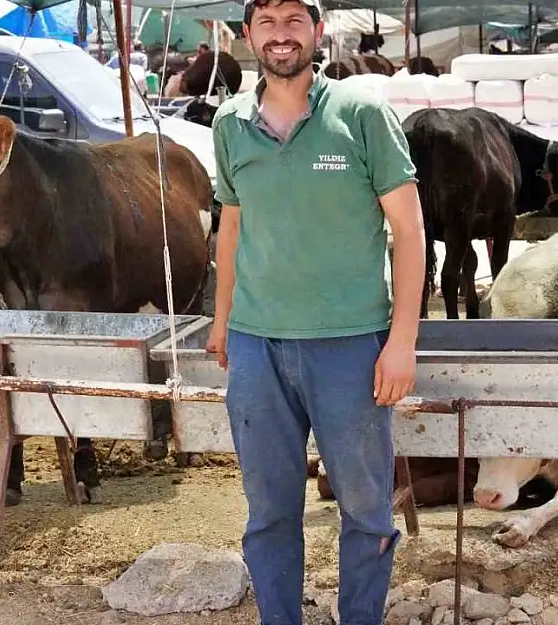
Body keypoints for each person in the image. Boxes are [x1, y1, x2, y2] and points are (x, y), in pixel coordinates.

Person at [205, 1, 425, 624]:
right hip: (256, 347)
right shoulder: (229, 123)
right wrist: (222, 321)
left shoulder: (360, 115)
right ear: (248, 35)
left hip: (349, 347)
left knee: (365, 510)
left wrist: (401, 341)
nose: (281, 36)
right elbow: (231, 225)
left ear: (316, 32)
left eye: (294, 21)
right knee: (269, 511)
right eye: (268, 23)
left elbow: (408, 230)